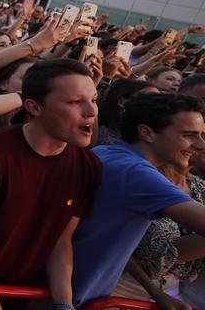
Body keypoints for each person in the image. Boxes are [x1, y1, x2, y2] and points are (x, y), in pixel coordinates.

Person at [0, 59, 103, 310]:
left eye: (94, 100)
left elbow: (61, 241)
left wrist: (64, 305)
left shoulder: (88, 166)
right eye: (76, 102)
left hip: (20, 294)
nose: (91, 112)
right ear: (33, 106)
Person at [72, 93, 205, 306]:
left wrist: (154, 291)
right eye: (189, 135)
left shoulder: (107, 152)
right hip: (75, 297)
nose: (200, 145)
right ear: (147, 132)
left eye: (201, 135)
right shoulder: (134, 172)